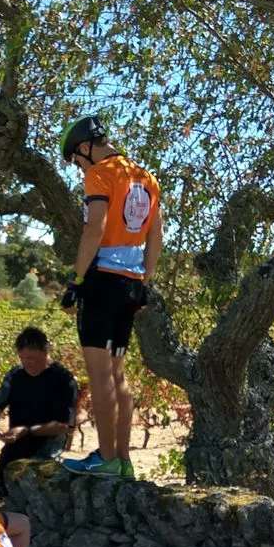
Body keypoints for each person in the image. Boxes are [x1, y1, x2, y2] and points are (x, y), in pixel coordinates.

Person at [56, 115, 162, 480]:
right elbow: (156, 239)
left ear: (85, 146)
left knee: (101, 376)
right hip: (132, 284)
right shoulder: (147, 179)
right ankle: (123, 459)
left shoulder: (99, 175)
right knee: (118, 375)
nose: (77, 167)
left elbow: (94, 228)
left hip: (102, 281)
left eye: (75, 159)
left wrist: (76, 279)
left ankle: (105, 458)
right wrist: (143, 280)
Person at [0, 327, 78, 491]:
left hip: (48, 446)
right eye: (23, 358)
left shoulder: (63, 380)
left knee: (31, 489)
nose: (28, 363)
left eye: (32, 358)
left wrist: (27, 430)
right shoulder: (15, 376)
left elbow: (65, 426)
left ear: (45, 352)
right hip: (17, 443)